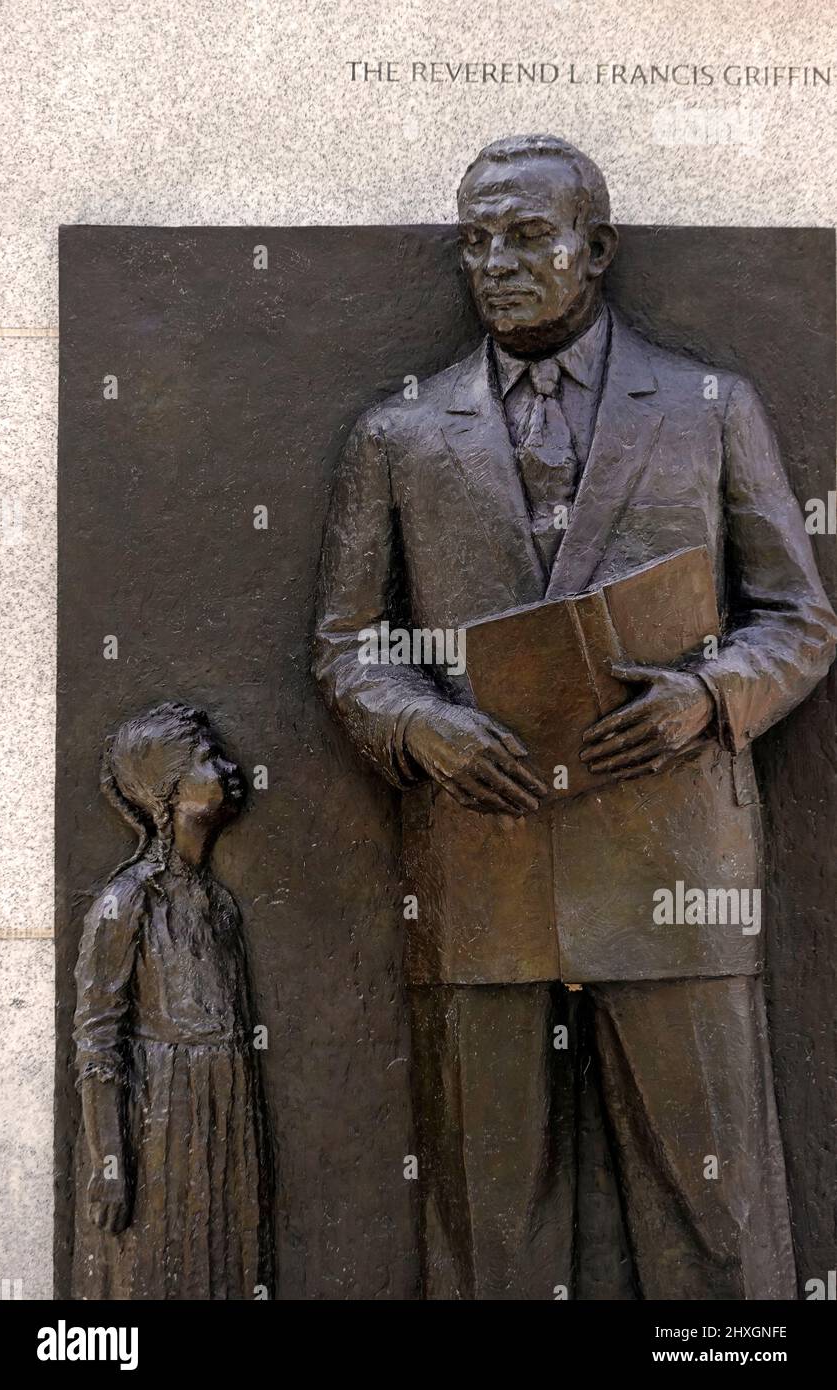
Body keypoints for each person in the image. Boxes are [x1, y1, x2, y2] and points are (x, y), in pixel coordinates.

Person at [313, 134, 837, 1299]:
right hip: (479, 856)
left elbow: (799, 618)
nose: (496, 263)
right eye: (475, 242)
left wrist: (706, 698)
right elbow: (347, 647)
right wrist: (414, 727)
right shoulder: (398, 433)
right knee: (488, 1220)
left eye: (527, 237)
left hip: (671, 858)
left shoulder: (708, 408)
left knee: (715, 1210)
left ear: (594, 250)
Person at [72, 701, 272, 1299]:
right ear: (167, 794)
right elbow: (96, 1041)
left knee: (229, 1261)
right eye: (208, 760)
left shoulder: (219, 904)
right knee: (160, 1264)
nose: (230, 768)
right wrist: (108, 1159)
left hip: (227, 1100)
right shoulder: (125, 902)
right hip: (162, 1109)